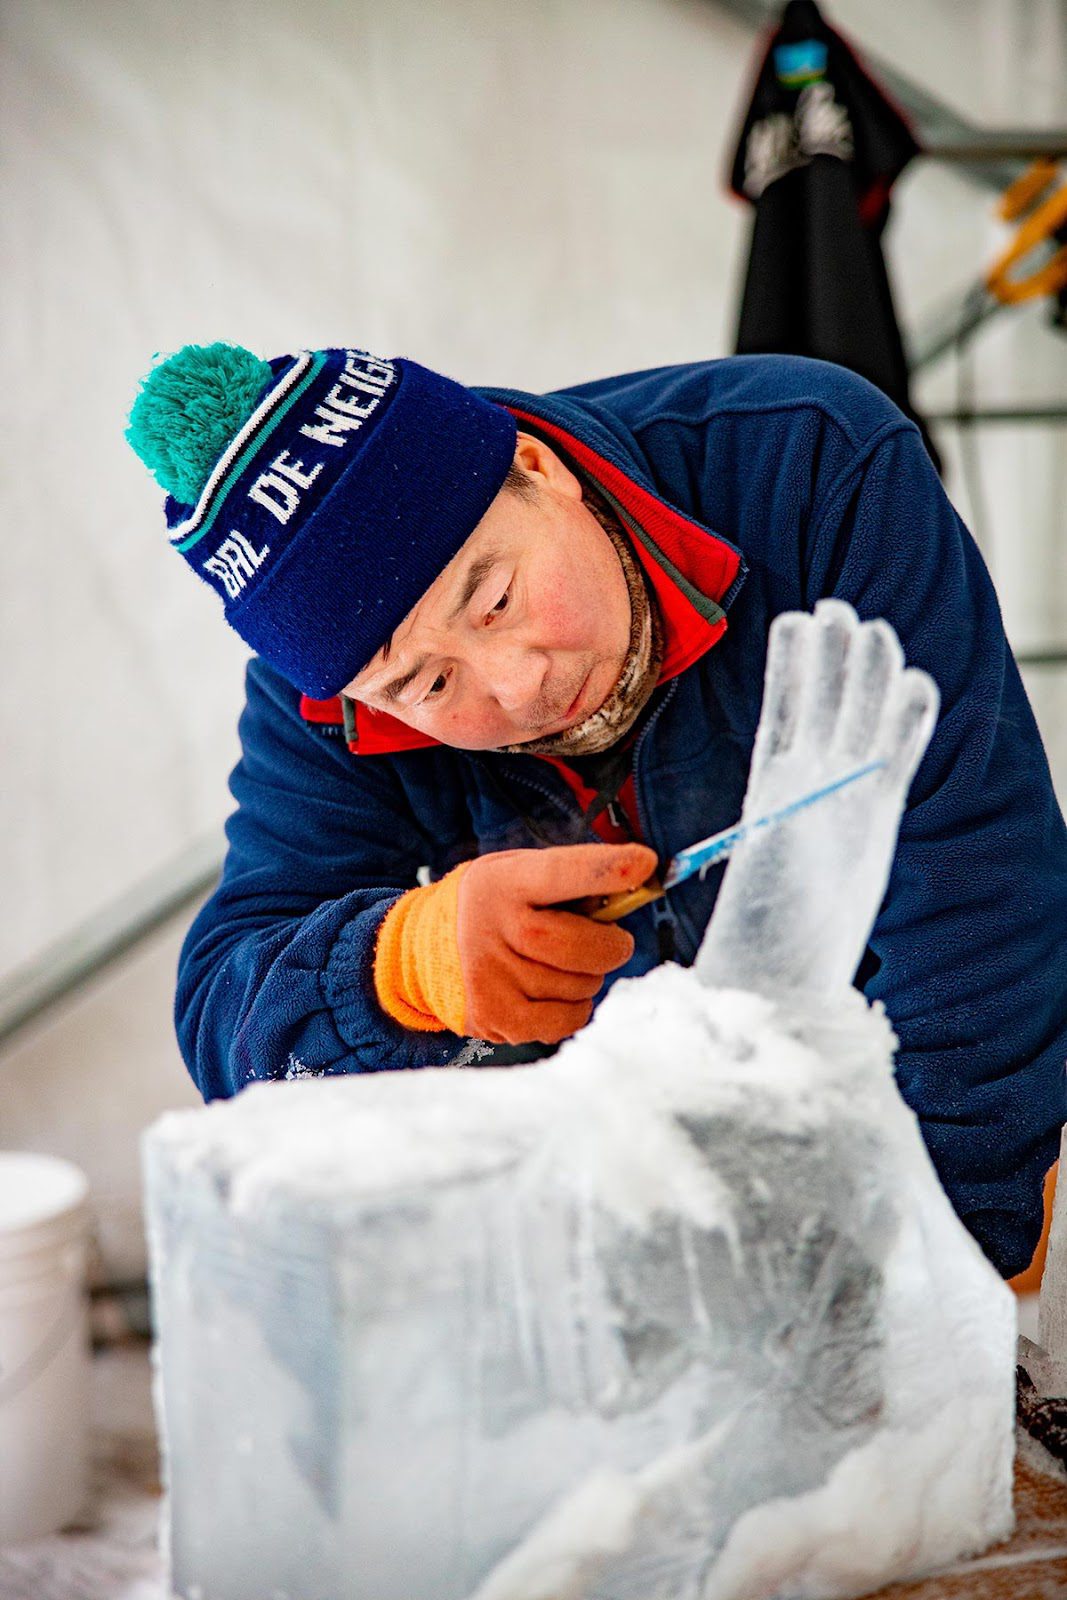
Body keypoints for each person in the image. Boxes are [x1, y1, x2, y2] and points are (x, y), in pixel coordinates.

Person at [126, 341, 1067, 1279]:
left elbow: (973, 889)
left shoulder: (807, 461)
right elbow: (226, 1020)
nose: (518, 685)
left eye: (496, 601)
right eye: (430, 684)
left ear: (540, 471)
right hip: (618, 1217)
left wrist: (932, 1262)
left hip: (899, 1121)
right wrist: (402, 966)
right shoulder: (327, 697)